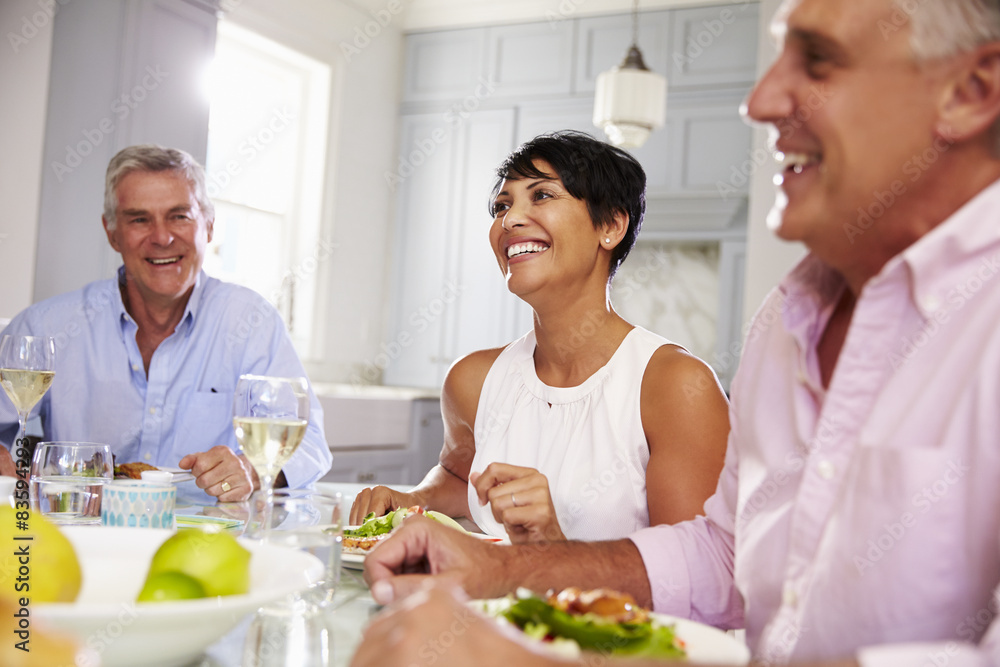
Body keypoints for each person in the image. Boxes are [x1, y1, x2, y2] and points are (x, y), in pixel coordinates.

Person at [351, 0, 1000, 664]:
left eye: (819, 59)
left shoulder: (678, 380)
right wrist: (499, 568)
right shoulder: (783, 321)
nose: (759, 99)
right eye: (501, 204)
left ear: (969, 92)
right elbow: (720, 556)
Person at [351, 131, 730, 543]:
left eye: (543, 195)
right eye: (502, 205)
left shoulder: (676, 386)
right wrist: (413, 499)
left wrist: (551, 546)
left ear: (611, 226)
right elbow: (461, 478)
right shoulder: (473, 381)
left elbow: (693, 581)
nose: (509, 219)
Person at [0, 145, 332, 501]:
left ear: (209, 225)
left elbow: (309, 442)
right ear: (112, 232)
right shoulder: (44, 327)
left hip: (207, 542)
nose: (161, 237)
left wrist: (251, 469)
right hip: (82, 538)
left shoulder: (251, 323)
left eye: (179, 216)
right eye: (139, 219)